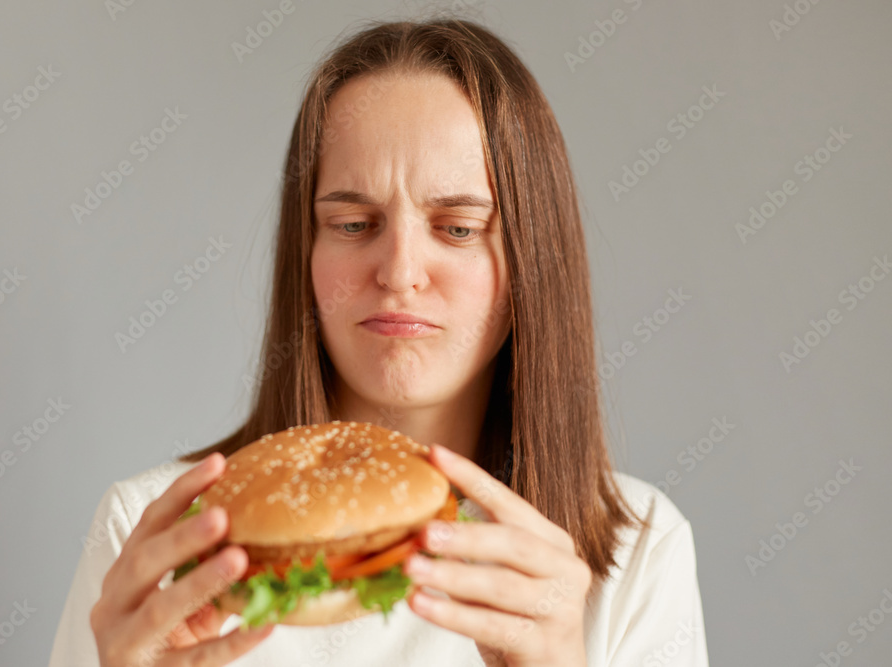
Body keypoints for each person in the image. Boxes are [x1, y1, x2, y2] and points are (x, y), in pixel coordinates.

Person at [48, 15, 709, 667]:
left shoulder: (639, 548)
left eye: (456, 228)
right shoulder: (152, 535)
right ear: (303, 252)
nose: (397, 272)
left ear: (533, 264)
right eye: (354, 222)